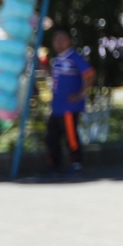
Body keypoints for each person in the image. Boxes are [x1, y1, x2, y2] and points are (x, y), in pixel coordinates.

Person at [46, 28, 94, 173]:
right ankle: (54, 164)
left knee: (70, 136)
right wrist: (43, 66)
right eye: (56, 39)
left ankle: (76, 162)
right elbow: (55, 76)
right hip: (57, 106)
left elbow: (90, 74)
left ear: (70, 41)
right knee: (51, 136)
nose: (59, 43)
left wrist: (80, 94)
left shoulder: (74, 57)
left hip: (69, 106)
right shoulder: (58, 59)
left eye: (63, 39)